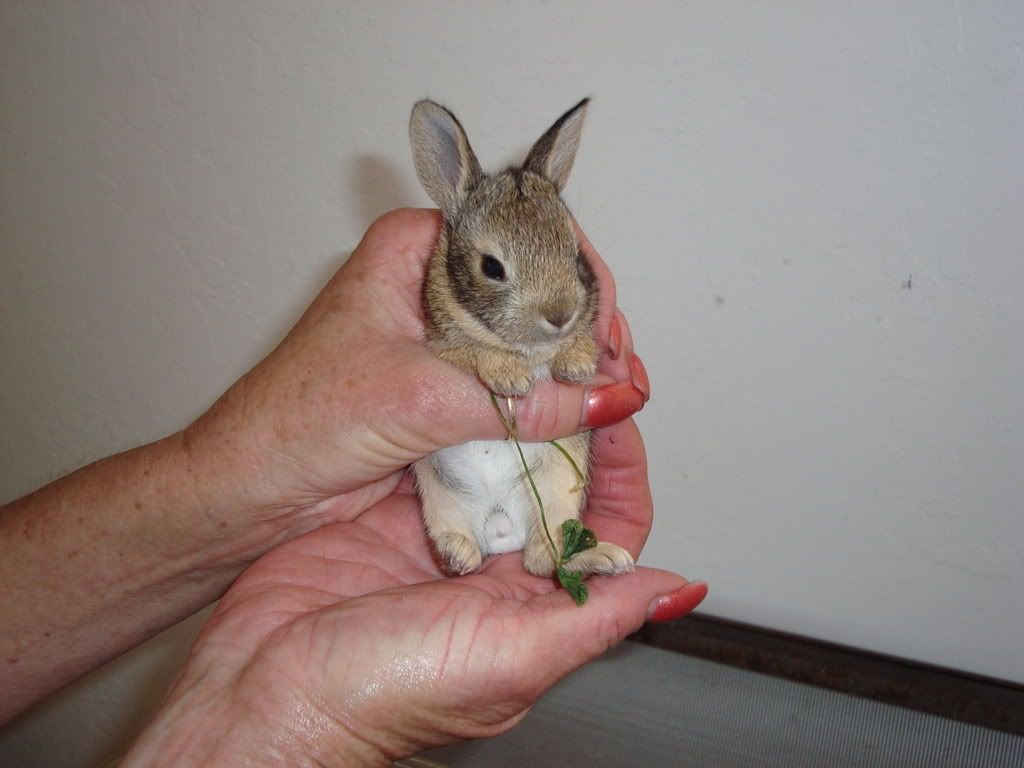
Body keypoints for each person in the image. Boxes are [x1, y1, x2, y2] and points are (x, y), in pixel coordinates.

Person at [0, 209, 707, 766]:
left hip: (531, 478)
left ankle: (557, 545)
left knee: (568, 454)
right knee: (432, 467)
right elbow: (451, 358)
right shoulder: (448, 322)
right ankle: (453, 533)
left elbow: (569, 345)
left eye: (568, 270)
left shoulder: (563, 318)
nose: (554, 308)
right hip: (456, 471)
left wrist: (573, 352)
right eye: (496, 269)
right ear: (460, 263)